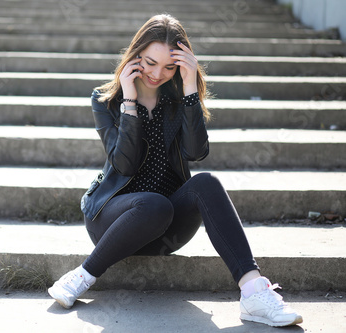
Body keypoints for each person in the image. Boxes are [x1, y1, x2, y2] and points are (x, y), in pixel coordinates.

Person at [48, 13, 303, 328]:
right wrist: (129, 101)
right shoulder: (107, 100)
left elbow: (197, 153)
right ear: (135, 54)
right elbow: (124, 164)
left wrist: (189, 89)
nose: (158, 73)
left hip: (167, 227)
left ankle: (253, 291)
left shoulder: (180, 98)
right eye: (150, 62)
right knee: (153, 203)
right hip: (112, 222)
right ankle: (83, 275)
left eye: (170, 67)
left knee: (205, 184)